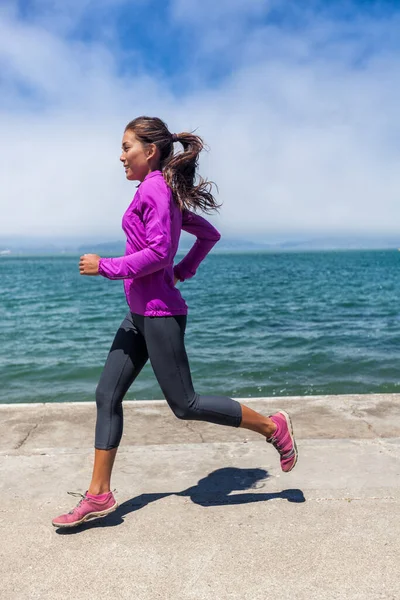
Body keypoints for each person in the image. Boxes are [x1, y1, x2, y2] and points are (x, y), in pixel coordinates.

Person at [52, 116, 298, 528]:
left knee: (185, 405)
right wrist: (184, 270)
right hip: (139, 315)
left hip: (160, 315)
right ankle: (98, 494)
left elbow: (157, 252)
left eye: (127, 147)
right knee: (106, 394)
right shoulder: (162, 191)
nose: (121, 155)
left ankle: (272, 426)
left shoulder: (155, 188)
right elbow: (208, 236)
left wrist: (107, 266)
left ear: (150, 151)